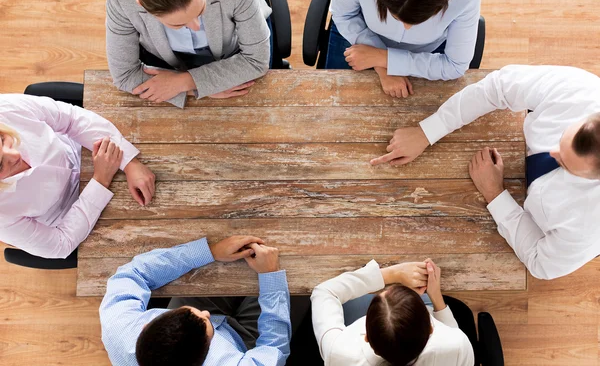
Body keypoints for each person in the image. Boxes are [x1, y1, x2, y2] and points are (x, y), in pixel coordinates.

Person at [371, 65, 600, 280]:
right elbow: (498, 87)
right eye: (561, 140)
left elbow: (541, 263)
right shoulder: (579, 90)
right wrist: (427, 131)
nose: (552, 152)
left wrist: (495, 194)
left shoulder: (588, 225)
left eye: (566, 165)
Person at [0, 94, 155, 259]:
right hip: (74, 215)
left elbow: (71, 118)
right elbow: (60, 244)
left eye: (2, 140)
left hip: (82, 148)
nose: (16, 154)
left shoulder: (5, 108)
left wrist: (129, 162)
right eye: (1, 164)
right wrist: (101, 179)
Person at [100, 235, 291, 366]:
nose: (207, 314)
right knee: (288, 280)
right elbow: (274, 349)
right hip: (244, 344)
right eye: (208, 325)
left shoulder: (119, 329)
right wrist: (271, 276)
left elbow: (132, 273)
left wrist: (211, 251)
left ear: (144, 327)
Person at [106, 0, 272, 108]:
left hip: (231, 52)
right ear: (143, 5)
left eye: (200, 11)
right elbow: (125, 75)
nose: (196, 26)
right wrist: (199, 88)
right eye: (177, 24)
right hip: (165, 61)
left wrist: (187, 82)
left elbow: (256, 60)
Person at [327, 0, 483, 98]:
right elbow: (343, 14)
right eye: (395, 16)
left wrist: (383, 59)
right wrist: (382, 68)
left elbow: (455, 66)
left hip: (428, 49)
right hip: (359, 31)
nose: (407, 28)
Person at [311, 258, 474, 365]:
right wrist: (436, 295)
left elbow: (324, 292)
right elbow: (452, 332)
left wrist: (391, 274)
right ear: (431, 329)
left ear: (366, 337)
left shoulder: (339, 352)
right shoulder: (456, 347)